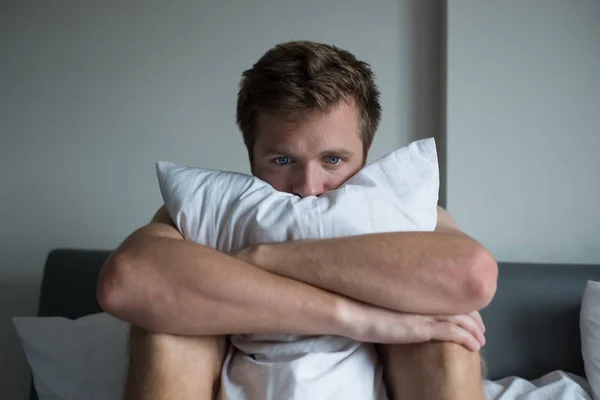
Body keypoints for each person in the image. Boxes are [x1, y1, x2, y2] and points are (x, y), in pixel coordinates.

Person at [97, 40, 498, 400]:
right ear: (251, 154)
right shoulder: (215, 213)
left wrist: (262, 257)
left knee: (449, 330)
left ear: (366, 154)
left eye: (333, 160)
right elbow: (126, 281)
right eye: (283, 160)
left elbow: (472, 276)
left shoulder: (395, 213)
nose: (308, 186)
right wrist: (363, 320)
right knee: (163, 324)